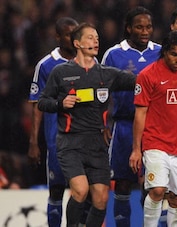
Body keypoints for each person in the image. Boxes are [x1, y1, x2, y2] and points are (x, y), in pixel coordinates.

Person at [37, 22, 136, 227]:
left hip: (97, 143)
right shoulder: (61, 72)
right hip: (70, 142)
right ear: (77, 43)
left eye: (97, 37)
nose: (95, 40)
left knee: (101, 197)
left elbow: (140, 81)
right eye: (90, 37)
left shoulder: (107, 74)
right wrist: (60, 104)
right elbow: (42, 102)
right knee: (80, 191)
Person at [129, 30, 177, 227]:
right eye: (174, 54)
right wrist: (136, 149)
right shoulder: (147, 75)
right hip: (156, 143)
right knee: (157, 190)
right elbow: (140, 114)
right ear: (164, 52)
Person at [101, 6, 161, 227]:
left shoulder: (161, 52)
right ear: (128, 29)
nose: (145, 31)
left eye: (148, 27)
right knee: (123, 183)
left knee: (152, 185)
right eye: (139, 27)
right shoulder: (113, 54)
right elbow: (102, 90)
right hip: (124, 126)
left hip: (154, 127)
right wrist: (104, 122)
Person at [27, 17, 90, 227]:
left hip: (84, 136)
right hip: (56, 138)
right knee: (56, 188)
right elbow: (36, 104)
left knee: (85, 188)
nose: (72, 39)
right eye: (67, 34)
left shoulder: (89, 61)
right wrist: (34, 142)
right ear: (57, 36)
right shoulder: (45, 65)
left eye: (75, 34)